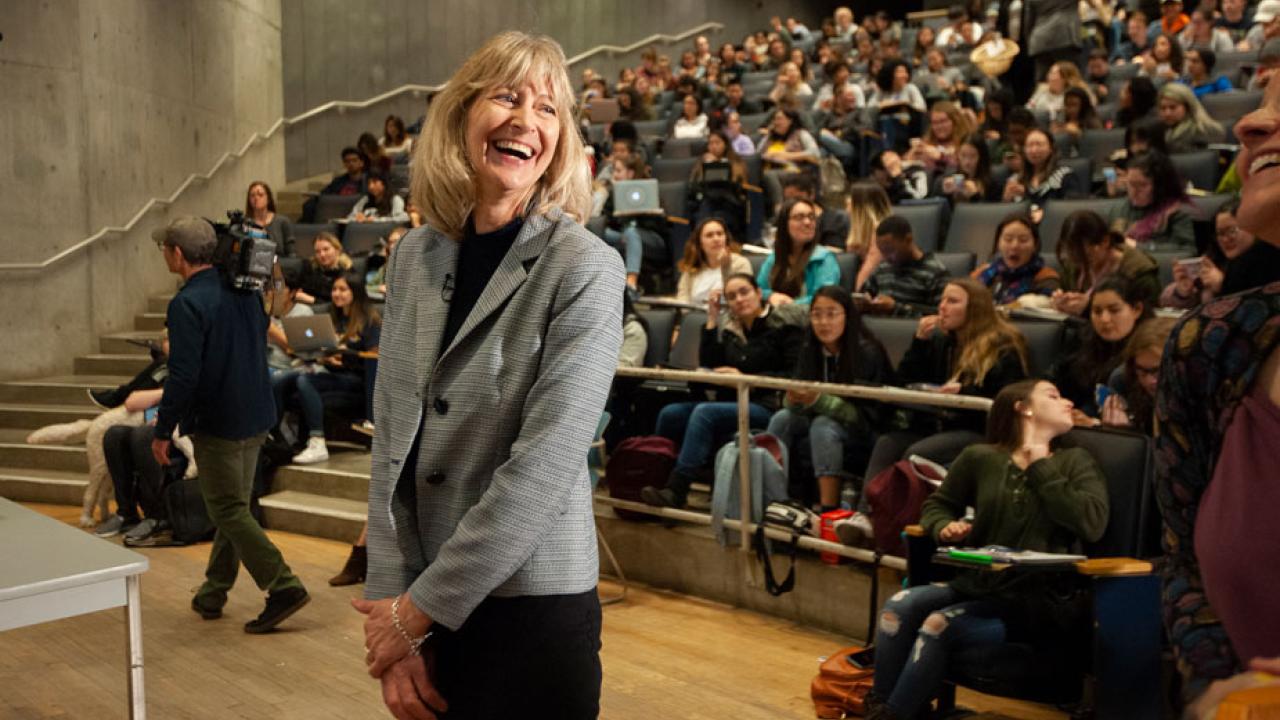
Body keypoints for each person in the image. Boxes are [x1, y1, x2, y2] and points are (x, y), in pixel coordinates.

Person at [358, 32, 624, 720]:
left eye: (547, 108)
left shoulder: (587, 268)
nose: (525, 121)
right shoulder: (414, 256)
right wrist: (391, 608)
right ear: (462, 114)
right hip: (419, 609)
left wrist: (415, 612)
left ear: (560, 141)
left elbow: (544, 467)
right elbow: (393, 440)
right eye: (507, 97)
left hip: (531, 613)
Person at [866, 379, 1108, 720]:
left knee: (938, 623)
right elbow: (937, 505)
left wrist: (1041, 465)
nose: (1068, 402)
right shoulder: (980, 457)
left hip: (1037, 602)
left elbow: (1092, 523)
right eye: (1053, 395)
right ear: (1023, 408)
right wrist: (943, 526)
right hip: (978, 586)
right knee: (899, 606)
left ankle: (892, 716)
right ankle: (883, 707)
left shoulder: (1074, 461)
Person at [1155, 72, 1280, 719]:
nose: (1249, 123)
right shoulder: (1213, 344)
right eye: (1262, 102)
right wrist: (1213, 685)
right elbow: (1182, 558)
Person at [150, 216, 308, 633]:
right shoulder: (244, 291)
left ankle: (283, 585)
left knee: (227, 508)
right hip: (257, 414)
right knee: (233, 506)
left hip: (219, 421)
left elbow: (183, 376)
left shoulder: (186, 304)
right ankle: (214, 590)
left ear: (177, 254)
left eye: (164, 248)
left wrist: (163, 430)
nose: (164, 254)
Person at [640, 272, 806, 509]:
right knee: (671, 413)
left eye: (744, 292)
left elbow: (792, 376)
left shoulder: (783, 327)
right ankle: (656, 481)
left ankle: (677, 490)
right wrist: (712, 318)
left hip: (768, 404)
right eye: (732, 296)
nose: (739, 299)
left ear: (759, 293)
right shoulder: (731, 330)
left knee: (705, 412)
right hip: (733, 402)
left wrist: (746, 380)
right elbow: (710, 364)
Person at [767, 286, 895, 511]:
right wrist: (793, 400)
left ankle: (829, 511)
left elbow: (869, 416)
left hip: (867, 429)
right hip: (824, 420)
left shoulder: (867, 351)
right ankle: (773, 499)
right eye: (816, 314)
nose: (823, 322)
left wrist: (818, 401)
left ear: (848, 315)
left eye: (831, 314)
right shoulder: (810, 348)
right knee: (782, 418)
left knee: (823, 425)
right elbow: (799, 397)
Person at [274, 274, 381, 464]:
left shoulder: (369, 320)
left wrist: (346, 355)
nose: (337, 294)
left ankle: (317, 442)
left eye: (343, 289)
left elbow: (375, 357)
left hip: (356, 379)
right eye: (334, 289)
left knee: (305, 380)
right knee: (281, 380)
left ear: (355, 292)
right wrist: (324, 356)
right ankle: (275, 437)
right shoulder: (331, 318)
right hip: (330, 372)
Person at [1050, 274, 1154, 418]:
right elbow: (1057, 381)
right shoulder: (1081, 340)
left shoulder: (1151, 352)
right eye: (1097, 311)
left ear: (1137, 310)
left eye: (1114, 310)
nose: (1104, 319)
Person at [1053, 209, 1161, 315]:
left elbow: (1147, 316)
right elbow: (1064, 290)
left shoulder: (1139, 274)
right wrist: (1062, 300)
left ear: (1105, 241)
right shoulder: (1074, 266)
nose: (1082, 265)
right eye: (1074, 258)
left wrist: (1091, 308)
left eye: (1087, 256)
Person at [597, 154, 667, 291]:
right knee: (600, 233)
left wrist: (642, 214)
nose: (615, 175)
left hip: (650, 238)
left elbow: (660, 225)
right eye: (614, 171)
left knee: (631, 233)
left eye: (618, 171)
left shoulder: (649, 192)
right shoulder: (613, 194)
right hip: (622, 236)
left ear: (630, 173)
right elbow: (607, 220)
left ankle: (631, 282)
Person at [757, 198, 842, 306]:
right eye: (799, 217)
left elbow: (823, 299)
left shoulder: (823, 259)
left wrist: (790, 305)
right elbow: (758, 290)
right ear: (784, 224)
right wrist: (771, 296)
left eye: (811, 217)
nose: (807, 222)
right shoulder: (775, 257)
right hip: (775, 313)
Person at [1100, 316, 1177, 434]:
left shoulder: (1203, 385)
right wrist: (1122, 433)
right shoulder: (1123, 380)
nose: (1150, 381)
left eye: (1158, 371)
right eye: (1142, 371)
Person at [863, 215, 951, 317]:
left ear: (908, 240)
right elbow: (866, 293)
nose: (886, 257)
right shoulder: (883, 268)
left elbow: (940, 317)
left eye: (890, 250)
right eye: (882, 252)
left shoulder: (936, 273)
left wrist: (895, 308)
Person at [1108, 150, 1196, 251]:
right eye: (1131, 184)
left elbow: (1187, 250)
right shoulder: (1118, 209)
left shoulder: (1176, 212)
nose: (1134, 191)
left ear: (1159, 186)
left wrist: (1138, 246)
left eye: (1142, 185)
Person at [971, 212, 1062, 304]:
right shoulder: (983, 274)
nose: (1014, 246)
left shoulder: (1046, 279)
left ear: (1035, 245)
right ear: (998, 243)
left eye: (1023, 240)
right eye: (1008, 239)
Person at [675, 217, 753, 306]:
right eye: (709, 235)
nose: (716, 239)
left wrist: (726, 267)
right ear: (700, 244)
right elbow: (682, 299)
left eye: (720, 234)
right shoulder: (692, 268)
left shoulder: (740, 263)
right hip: (694, 313)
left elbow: (739, 297)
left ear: (726, 239)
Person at [685, 130, 749, 239]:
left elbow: (740, 187)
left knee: (721, 215)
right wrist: (709, 165)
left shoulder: (736, 162)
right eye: (711, 143)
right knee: (704, 213)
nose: (714, 146)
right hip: (706, 201)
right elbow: (694, 186)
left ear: (725, 144)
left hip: (729, 201)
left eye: (717, 142)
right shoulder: (701, 163)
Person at [757, 109, 820, 215]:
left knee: (769, 175)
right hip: (769, 167)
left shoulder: (801, 134)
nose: (776, 122)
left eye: (779, 119)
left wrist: (787, 156)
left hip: (794, 170)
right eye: (774, 119)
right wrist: (767, 156)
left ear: (790, 121)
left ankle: (779, 208)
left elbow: (815, 155)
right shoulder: (769, 137)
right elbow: (757, 154)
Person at [1002, 128, 1084, 207]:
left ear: (1051, 148)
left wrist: (1027, 195)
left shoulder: (1064, 176)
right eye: (1029, 145)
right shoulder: (1015, 180)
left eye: (1039, 144)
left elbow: (1071, 207)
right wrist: (1007, 200)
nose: (1034, 150)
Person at [869, 60, 928, 152]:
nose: (904, 75)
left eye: (905, 72)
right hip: (883, 124)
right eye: (900, 72)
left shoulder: (910, 88)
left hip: (906, 124)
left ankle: (888, 151)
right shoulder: (882, 91)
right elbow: (870, 108)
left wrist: (906, 104)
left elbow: (921, 107)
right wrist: (885, 105)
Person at [780, 174, 851, 249]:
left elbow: (836, 251)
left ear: (811, 195)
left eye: (798, 198)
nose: (793, 203)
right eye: (788, 200)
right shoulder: (784, 218)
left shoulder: (835, 219)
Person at [844, 182, 893, 290]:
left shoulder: (882, 232)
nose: (846, 208)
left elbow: (864, 279)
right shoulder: (858, 229)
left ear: (861, 207)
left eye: (850, 201)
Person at [905, 101, 972, 176]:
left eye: (943, 121)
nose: (939, 127)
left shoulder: (967, 141)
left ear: (955, 121)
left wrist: (940, 157)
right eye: (935, 123)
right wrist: (913, 153)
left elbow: (966, 166)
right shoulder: (927, 143)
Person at [302, 147, 368, 222]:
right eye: (347, 161)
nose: (351, 164)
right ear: (344, 164)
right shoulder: (338, 181)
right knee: (310, 204)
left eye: (354, 160)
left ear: (361, 163)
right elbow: (324, 193)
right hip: (336, 210)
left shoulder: (367, 181)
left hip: (355, 211)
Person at [1158, 82, 1225, 152]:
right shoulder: (1160, 131)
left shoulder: (1205, 132)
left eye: (1173, 107)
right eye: (1163, 108)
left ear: (1188, 107)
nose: (1167, 113)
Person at [935, 137, 1001, 204]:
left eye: (973, 156)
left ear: (981, 157)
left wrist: (975, 195)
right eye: (963, 155)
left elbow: (993, 209)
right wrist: (945, 194)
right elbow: (935, 208)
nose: (967, 162)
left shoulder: (993, 182)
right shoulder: (945, 179)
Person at [297, 231, 354, 304]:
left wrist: (312, 300)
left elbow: (339, 302)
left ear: (337, 250)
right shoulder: (309, 267)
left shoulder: (347, 270)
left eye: (326, 249)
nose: (322, 254)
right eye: (317, 251)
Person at [245, 181, 294, 256]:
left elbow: (291, 253)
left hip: (279, 261)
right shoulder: (245, 224)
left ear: (268, 199)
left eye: (260, 195)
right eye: (252, 195)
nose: (256, 198)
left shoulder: (283, 221)